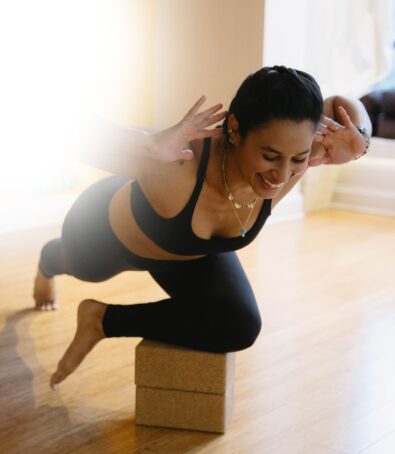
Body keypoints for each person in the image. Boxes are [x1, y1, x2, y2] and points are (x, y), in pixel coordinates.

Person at [32, 66, 371, 390]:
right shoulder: (179, 164)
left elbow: (343, 107)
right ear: (235, 130)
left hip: (188, 255)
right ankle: (46, 264)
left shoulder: (300, 150)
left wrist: (361, 144)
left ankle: (99, 320)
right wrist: (147, 143)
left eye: (298, 159)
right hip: (103, 235)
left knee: (239, 325)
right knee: (73, 263)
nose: (283, 175)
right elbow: (55, 125)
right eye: (269, 156)